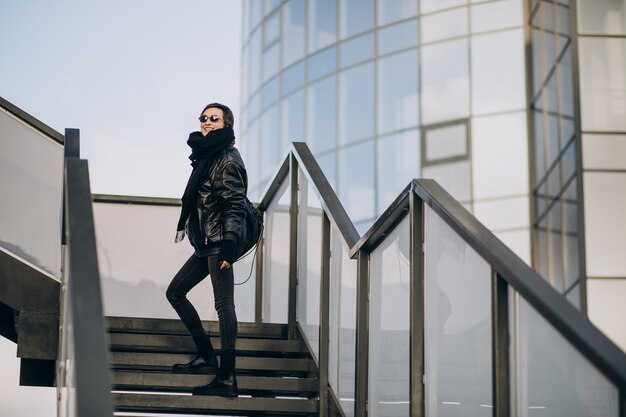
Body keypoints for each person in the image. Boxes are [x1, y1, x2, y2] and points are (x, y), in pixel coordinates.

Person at [166, 102, 246, 398]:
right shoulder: (206, 156)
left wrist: (229, 246)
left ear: (227, 124)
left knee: (224, 304)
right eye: (203, 118)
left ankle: (227, 377)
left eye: (214, 118)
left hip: (219, 243)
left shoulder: (226, 158)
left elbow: (234, 205)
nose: (207, 122)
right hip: (205, 244)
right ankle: (206, 356)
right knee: (175, 292)